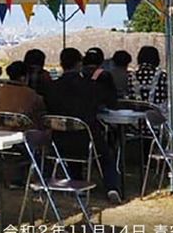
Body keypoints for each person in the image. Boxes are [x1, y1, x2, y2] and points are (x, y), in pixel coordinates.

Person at [44, 48, 121, 203]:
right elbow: (112, 103)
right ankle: (112, 188)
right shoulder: (91, 86)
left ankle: (77, 182)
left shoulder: (51, 87)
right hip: (88, 141)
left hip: (57, 143)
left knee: (72, 146)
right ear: (79, 63)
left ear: (61, 64)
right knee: (106, 154)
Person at [0, 61, 46, 128]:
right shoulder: (31, 94)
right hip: (23, 132)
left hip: (0, 130)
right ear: (23, 78)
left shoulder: (0, 91)